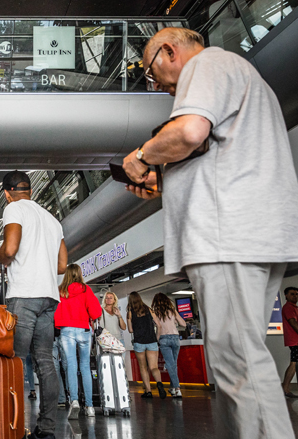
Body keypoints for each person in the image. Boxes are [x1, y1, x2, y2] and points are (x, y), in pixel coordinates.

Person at [122, 27, 298, 439]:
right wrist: (163, 184)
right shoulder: (242, 77)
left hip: (228, 235)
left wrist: (141, 156)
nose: (160, 86)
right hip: (248, 232)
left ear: (169, 51)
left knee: (238, 365)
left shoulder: (207, 64)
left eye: (152, 74)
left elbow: (189, 132)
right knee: (242, 358)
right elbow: (213, 154)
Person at [0, 170, 67, 439]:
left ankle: (13, 428)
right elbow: (62, 265)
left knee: (14, 361)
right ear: (31, 190)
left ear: (7, 193)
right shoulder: (52, 220)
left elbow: (10, 249)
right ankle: (46, 430)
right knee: (46, 363)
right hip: (49, 298)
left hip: (24, 295)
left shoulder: (14, 209)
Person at [54, 264, 102, 419]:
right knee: (85, 367)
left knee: (71, 366)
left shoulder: (60, 290)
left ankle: (74, 400)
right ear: (79, 274)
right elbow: (95, 312)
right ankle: (89, 406)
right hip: (83, 330)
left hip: (66, 331)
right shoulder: (85, 289)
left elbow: (54, 311)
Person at [127, 291, 165, 399]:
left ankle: (148, 391)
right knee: (154, 367)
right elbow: (159, 325)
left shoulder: (130, 313)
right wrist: (156, 338)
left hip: (139, 342)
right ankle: (159, 383)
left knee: (143, 367)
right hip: (152, 341)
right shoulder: (149, 310)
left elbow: (130, 330)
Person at [152, 293, 186, 398]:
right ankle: (172, 388)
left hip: (164, 339)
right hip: (175, 338)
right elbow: (183, 324)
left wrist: (156, 340)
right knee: (173, 365)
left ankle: (177, 388)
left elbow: (159, 328)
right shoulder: (172, 311)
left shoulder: (155, 313)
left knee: (171, 365)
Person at [282, 287, 298, 398]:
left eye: (297, 294)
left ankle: (285, 388)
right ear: (286, 296)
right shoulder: (288, 307)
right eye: (292, 294)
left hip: (295, 340)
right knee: (293, 363)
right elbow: (293, 323)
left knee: (294, 363)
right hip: (295, 341)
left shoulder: (294, 307)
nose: (295, 296)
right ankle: (285, 389)